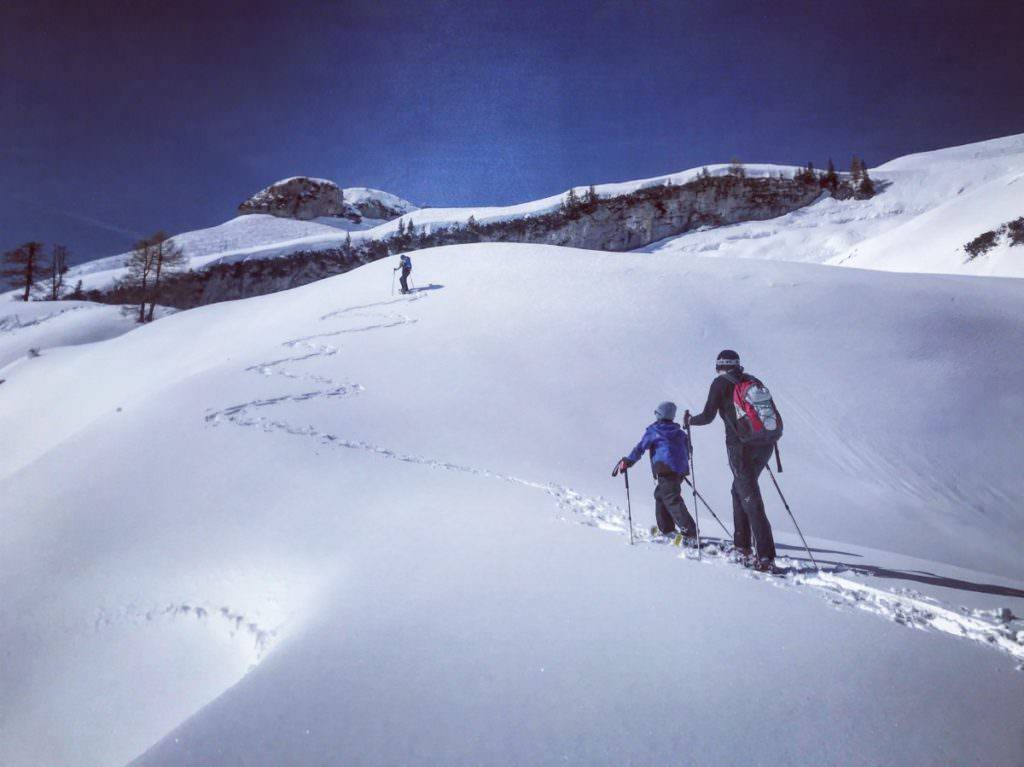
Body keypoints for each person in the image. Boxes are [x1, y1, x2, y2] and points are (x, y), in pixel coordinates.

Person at [685, 350, 778, 571]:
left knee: (750, 498)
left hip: (740, 448)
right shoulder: (753, 381)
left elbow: (708, 416)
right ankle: (742, 545)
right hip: (764, 445)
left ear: (720, 365)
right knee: (739, 491)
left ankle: (765, 556)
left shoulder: (720, 383)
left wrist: (690, 421)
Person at [615, 401, 698, 542]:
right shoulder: (679, 432)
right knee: (661, 495)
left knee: (671, 498)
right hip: (679, 470)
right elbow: (689, 450)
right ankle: (667, 528)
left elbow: (640, 448)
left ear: (659, 414)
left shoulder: (654, 431)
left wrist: (628, 461)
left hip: (665, 468)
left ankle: (689, 530)